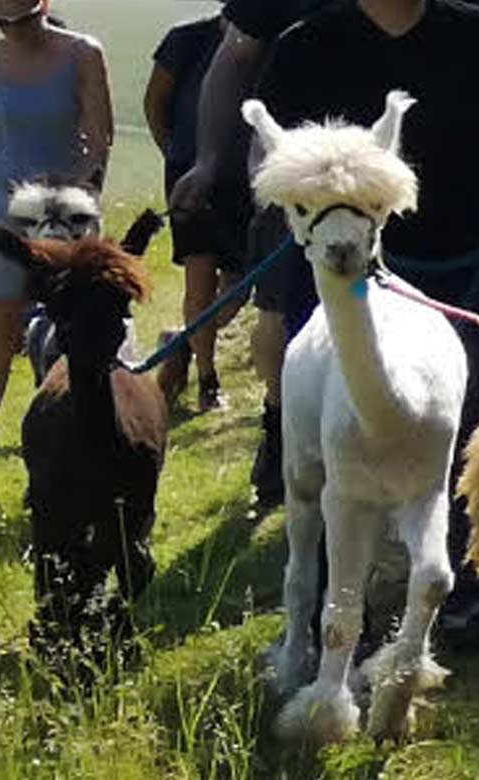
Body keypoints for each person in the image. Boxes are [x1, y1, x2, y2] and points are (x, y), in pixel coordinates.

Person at [253, 0, 479, 649]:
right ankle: (337, 605)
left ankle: (472, 586)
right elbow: (267, 152)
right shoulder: (308, 44)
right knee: (345, 424)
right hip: (344, 272)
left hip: (468, 264)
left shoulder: (478, 35)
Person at [168, 0, 339, 510]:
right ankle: (279, 426)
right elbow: (230, 62)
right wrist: (207, 160)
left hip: (385, 182)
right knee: (280, 318)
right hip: (286, 181)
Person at [0, 0, 112, 465]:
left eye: (24, 20)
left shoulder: (83, 54)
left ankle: (79, 424)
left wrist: (75, 196)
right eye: (3, 23)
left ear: (44, 7)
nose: (16, 31)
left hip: (65, 204)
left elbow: (99, 137)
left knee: (76, 318)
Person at [145, 8, 240, 412]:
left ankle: (181, 340)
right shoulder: (184, 39)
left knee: (239, 286)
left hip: (244, 181)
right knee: (199, 278)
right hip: (190, 176)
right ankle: (208, 381)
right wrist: (175, 154)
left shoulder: (274, 38)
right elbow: (155, 102)